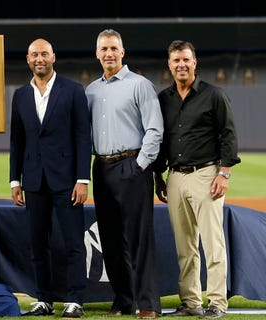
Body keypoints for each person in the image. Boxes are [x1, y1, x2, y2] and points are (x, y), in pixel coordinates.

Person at [154, 40, 241, 319]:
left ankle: (217, 303)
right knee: (185, 246)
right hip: (176, 176)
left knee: (213, 244)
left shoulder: (213, 95)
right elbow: (163, 140)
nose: (181, 64)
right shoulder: (163, 98)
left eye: (186, 60)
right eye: (176, 60)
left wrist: (224, 173)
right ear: (169, 65)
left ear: (194, 63)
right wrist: (158, 175)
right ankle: (191, 303)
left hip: (206, 174)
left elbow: (228, 134)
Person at [9, 38, 91, 318]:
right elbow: (17, 141)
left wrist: (83, 179)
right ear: (28, 59)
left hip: (67, 181)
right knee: (37, 244)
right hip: (33, 181)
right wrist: (14, 180)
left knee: (72, 243)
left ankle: (75, 299)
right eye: (35, 54)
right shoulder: (20, 95)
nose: (39, 59)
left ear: (53, 57)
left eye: (44, 54)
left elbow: (83, 137)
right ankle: (43, 299)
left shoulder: (73, 90)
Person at [84, 29, 164, 319]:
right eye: (104, 48)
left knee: (139, 239)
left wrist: (141, 164)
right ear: (97, 53)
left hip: (131, 165)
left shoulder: (140, 85)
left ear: (122, 52)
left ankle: (148, 304)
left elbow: (155, 129)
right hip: (102, 168)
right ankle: (123, 301)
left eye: (113, 48)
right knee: (111, 240)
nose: (109, 53)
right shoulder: (90, 91)